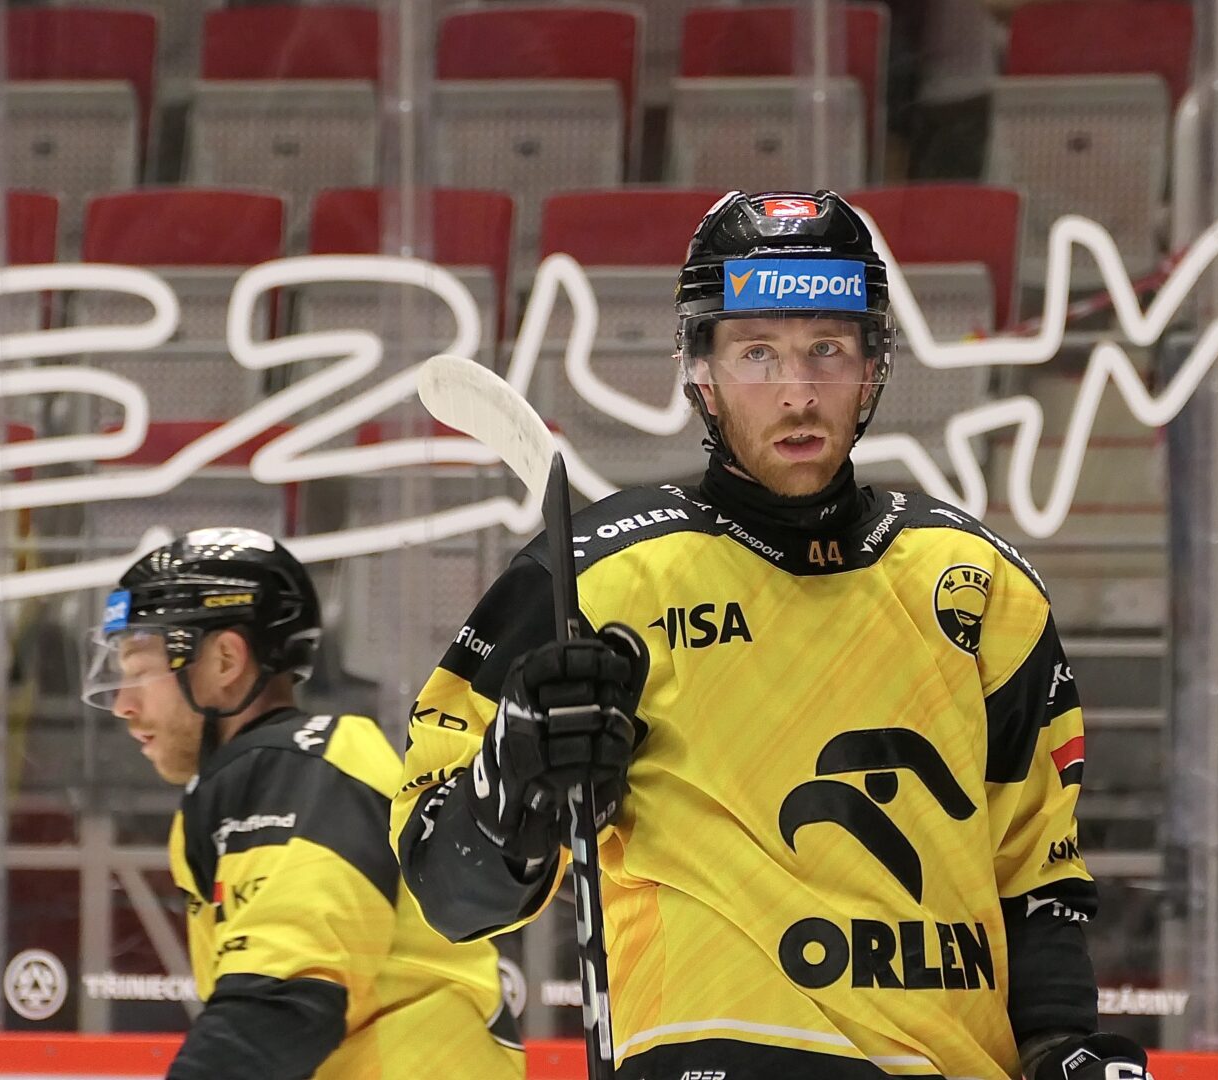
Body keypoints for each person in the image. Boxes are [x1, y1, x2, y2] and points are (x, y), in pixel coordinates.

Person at [392, 192, 1148, 1079]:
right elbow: (449, 892)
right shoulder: (597, 577)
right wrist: (514, 770)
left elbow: (1037, 877)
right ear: (701, 371)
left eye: (828, 349)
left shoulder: (977, 584)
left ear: (873, 366)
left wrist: (1061, 1048)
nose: (798, 392)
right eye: (758, 353)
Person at [85, 526, 523, 1080]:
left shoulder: (300, 769)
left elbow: (281, 999)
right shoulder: (275, 771)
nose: (122, 705)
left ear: (225, 661)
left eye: (140, 671)